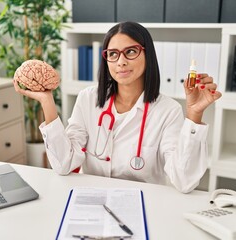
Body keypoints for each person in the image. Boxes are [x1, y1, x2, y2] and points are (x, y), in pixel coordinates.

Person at [13, 21, 222, 193]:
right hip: (93, 200)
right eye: (112, 54)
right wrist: (47, 102)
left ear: (147, 54)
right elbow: (64, 164)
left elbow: (184, 181)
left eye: (130, 51)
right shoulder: (88, 99)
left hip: (145, 205)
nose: (120, 61)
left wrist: (194, 114)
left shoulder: (168, 111)